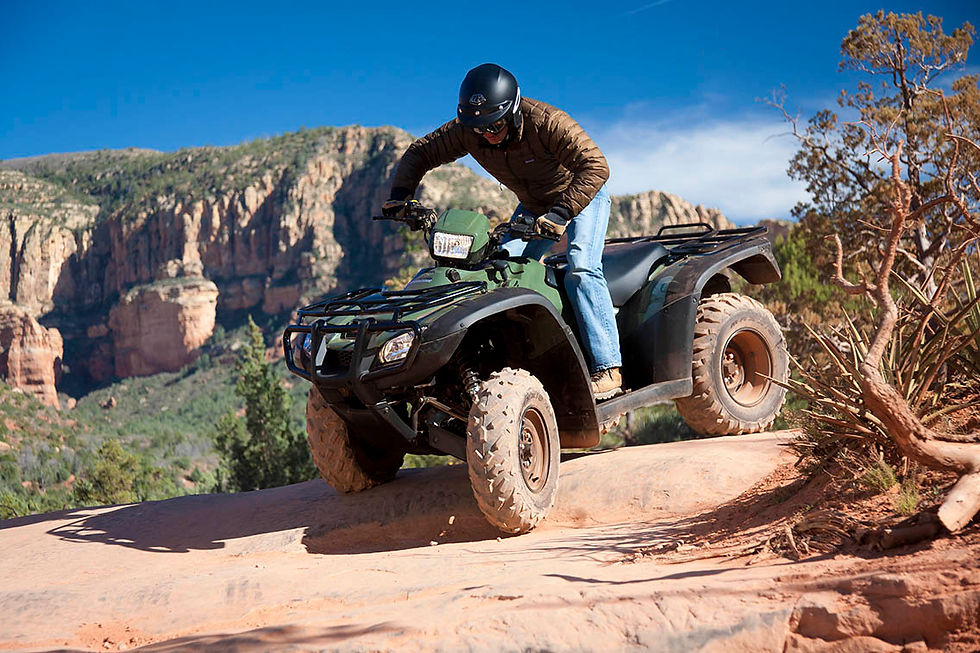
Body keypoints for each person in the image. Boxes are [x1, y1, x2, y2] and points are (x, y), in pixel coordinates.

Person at [383, 63, 622, 399]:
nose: (487, 134)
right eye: (478, 128)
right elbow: (421, 152)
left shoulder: (547, 121)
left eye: (495, 124)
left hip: (580, 195)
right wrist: (400, 195)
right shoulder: (469, 130)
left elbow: (595, 167)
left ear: (513, 109)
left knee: (581, 266)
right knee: (498, 269)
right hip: (534, 205)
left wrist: (561, 213)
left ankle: (608, 367)